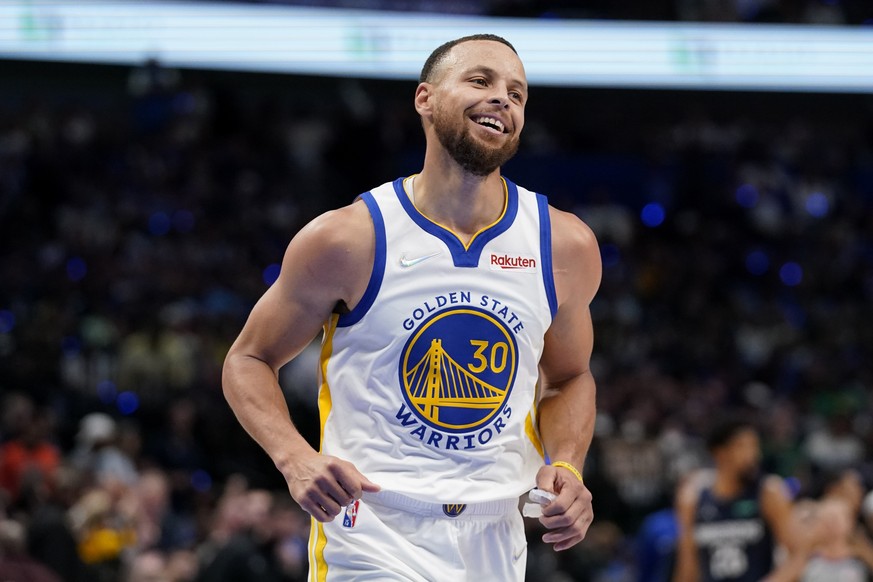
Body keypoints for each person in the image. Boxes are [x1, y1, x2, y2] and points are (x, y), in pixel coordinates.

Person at [222, 33, 601, 580]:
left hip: (496, 533)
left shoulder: (563, 245)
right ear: (425, 99)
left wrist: (567, 465)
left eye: (517, 94)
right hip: (372, 526)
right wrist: (294, 458)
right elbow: (248, 359)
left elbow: (570, 377)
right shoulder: (348, 238)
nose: (504, 100)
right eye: (480, 81)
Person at [673, 419, 796, 582]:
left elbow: (797, 556)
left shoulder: (769, 492)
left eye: (754, 446)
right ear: (720, 453)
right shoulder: (692, 497)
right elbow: (687, 567)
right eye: (743, 446)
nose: (754, 455)